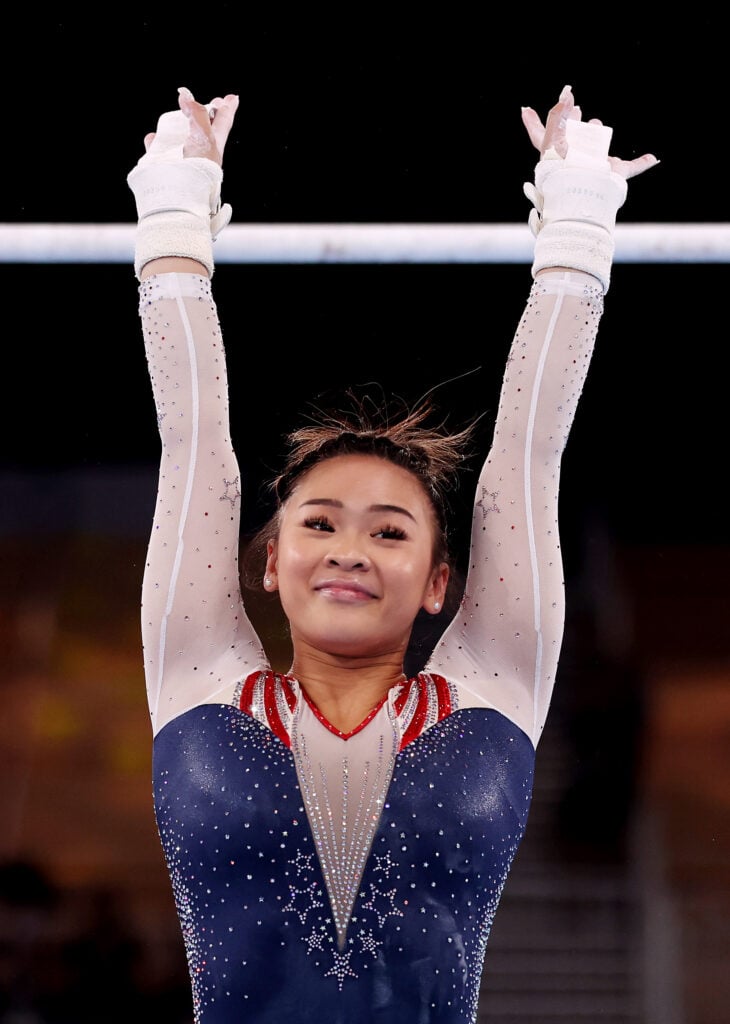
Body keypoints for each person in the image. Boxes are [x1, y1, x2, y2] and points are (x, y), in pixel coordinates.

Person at [127, 83, 658, 1024]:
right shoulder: (196, 671)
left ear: (439, 582)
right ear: (267, 560)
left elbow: (531, 454)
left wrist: (577, 230)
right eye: (320, 523)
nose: (350, 551)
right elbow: (197, 442)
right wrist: (176, 206)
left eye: (390, 531)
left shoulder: (494, 679)